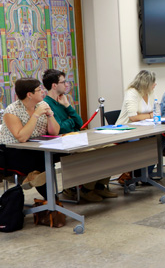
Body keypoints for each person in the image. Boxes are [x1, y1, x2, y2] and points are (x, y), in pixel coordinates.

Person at [42, 69, 117, 202]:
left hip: (74, 137)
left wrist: (67, 105)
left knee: (110, 147)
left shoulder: (62, 101)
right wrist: (71, 122)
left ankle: (100, 186)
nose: (66, 85)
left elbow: (80, 123)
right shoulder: (46, 104)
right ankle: (85, 190)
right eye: (63, 82)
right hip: (61, 142)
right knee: (92, 153)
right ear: (54, 85)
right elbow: (59, 129)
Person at [0, 78, 60, 198]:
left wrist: (49, 115)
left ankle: (37, 180)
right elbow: (21, 137)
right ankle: (51, 201)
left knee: (60, 155)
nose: (43, 91)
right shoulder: (12, 111)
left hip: (36, 148)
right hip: (12, 153)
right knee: (42, 161)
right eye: (39, 90)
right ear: (29, 94)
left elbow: (55, 132)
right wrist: (36, 115)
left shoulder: (42, 105)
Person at [116, 70, 158, 183]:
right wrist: (149, 115)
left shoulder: (150, 92)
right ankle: (132, 173)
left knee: (159, 139)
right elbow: (133, 117)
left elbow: (156, 111)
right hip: (126, 129)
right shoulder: (132, 92)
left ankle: (145, 174)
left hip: (145, 128)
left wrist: (145, 116)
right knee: (136, 141)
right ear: (146, 83)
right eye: (153, 83)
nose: (155, 85)